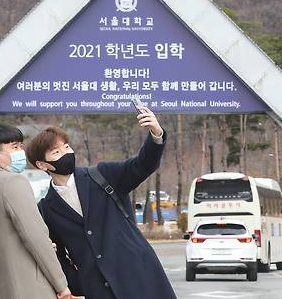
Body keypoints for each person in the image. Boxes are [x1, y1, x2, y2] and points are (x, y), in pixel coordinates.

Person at [27, 106, 177, 299]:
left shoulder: (102, 175)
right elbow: (56, 254)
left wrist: (156, 134)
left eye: (67, 147)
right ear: (41, 165)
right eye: (56, 152)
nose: (65, 153)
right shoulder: (46, 208)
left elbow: (142, 165)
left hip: (139, 277)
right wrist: (78, 281)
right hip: (98, 290)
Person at [0, 123, 72, 299]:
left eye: (20, 145)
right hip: (33, 286)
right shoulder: (12, 182)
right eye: (14, 147)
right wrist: (61, 284)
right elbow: (35, 236)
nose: (20, 151)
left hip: (4, 288)